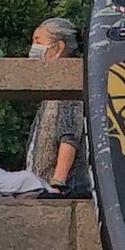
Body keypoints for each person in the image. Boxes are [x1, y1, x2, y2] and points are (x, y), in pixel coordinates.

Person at [26, 16, 89, 195]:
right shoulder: (51, 88)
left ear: (59, 47)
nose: (33, 48)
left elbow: (69, 136)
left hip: (62, 189)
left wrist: (57, 183)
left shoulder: (69, 85)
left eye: (38, 41)